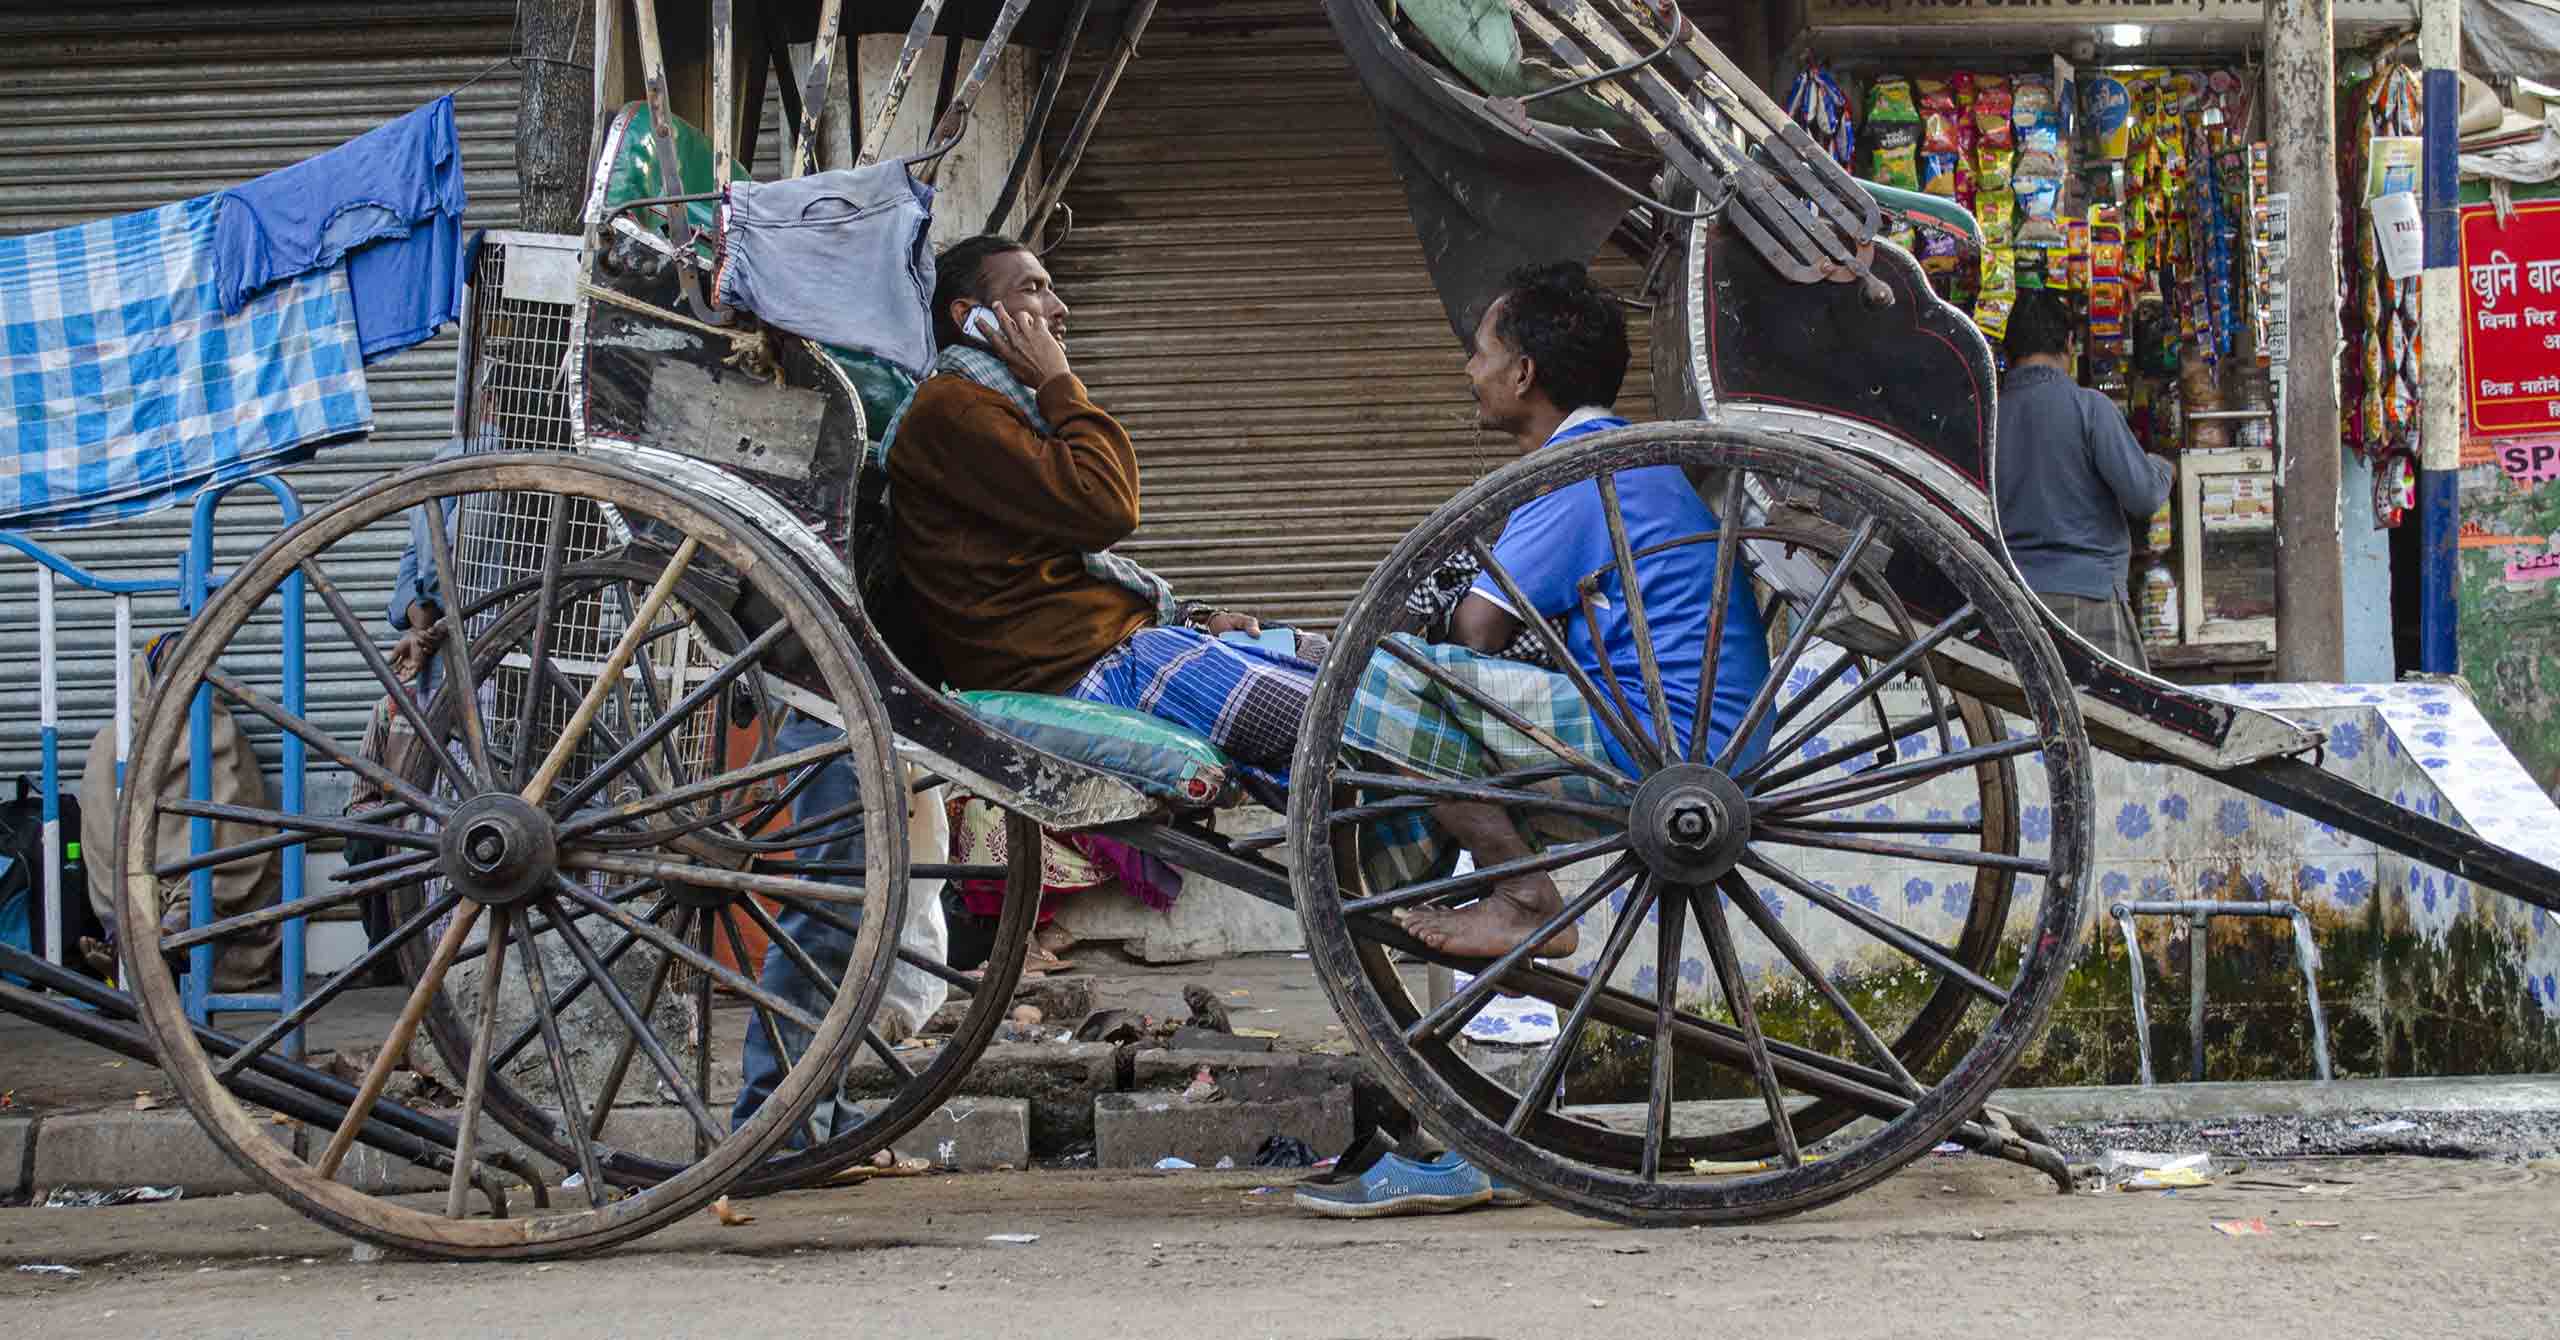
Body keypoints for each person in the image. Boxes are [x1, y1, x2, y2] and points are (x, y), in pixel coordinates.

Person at [1992, 289, 2173, 672]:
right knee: (2110, 727)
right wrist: (2161, 467)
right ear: (2070, 345)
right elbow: (2143, 496)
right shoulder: (2089, 409)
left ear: (2007, 352)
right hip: (2088, 602)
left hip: (2012, 605)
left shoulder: (1986, 418)